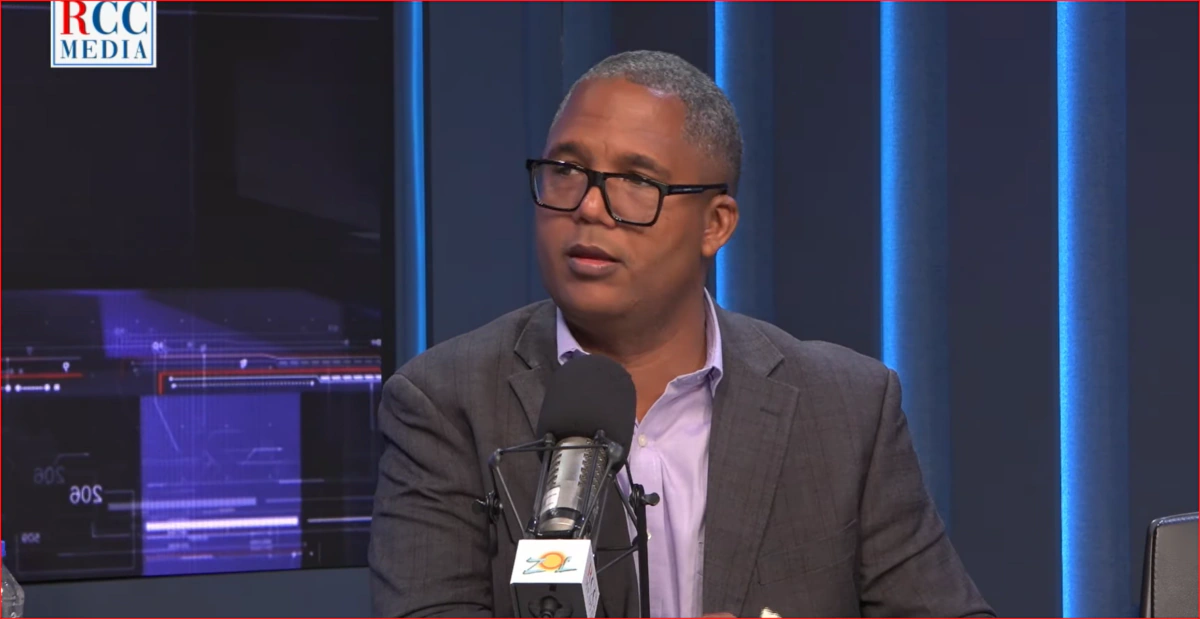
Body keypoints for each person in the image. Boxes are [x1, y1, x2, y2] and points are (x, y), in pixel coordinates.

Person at [368, 50, 993, 618]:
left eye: (636, 182)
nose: (588, 206)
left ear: (715, 225)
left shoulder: (846, 407)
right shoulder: (444, 402)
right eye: (566, 169)